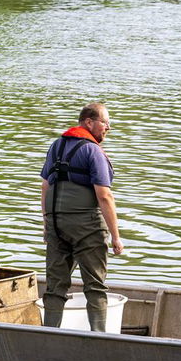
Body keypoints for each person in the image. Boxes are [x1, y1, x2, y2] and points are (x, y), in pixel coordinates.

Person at [41, 103, 124, 330]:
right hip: (86, 227)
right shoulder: (92, 151)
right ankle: (99, 338)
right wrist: (116, 237)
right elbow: (104, 196)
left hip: (57, 225)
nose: (108, 128)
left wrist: (47, 223)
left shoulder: (57, 146)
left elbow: (45, 186)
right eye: (105, 123)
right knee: (95, 286)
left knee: (55, 287)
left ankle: (49, 335)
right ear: (89, 122)